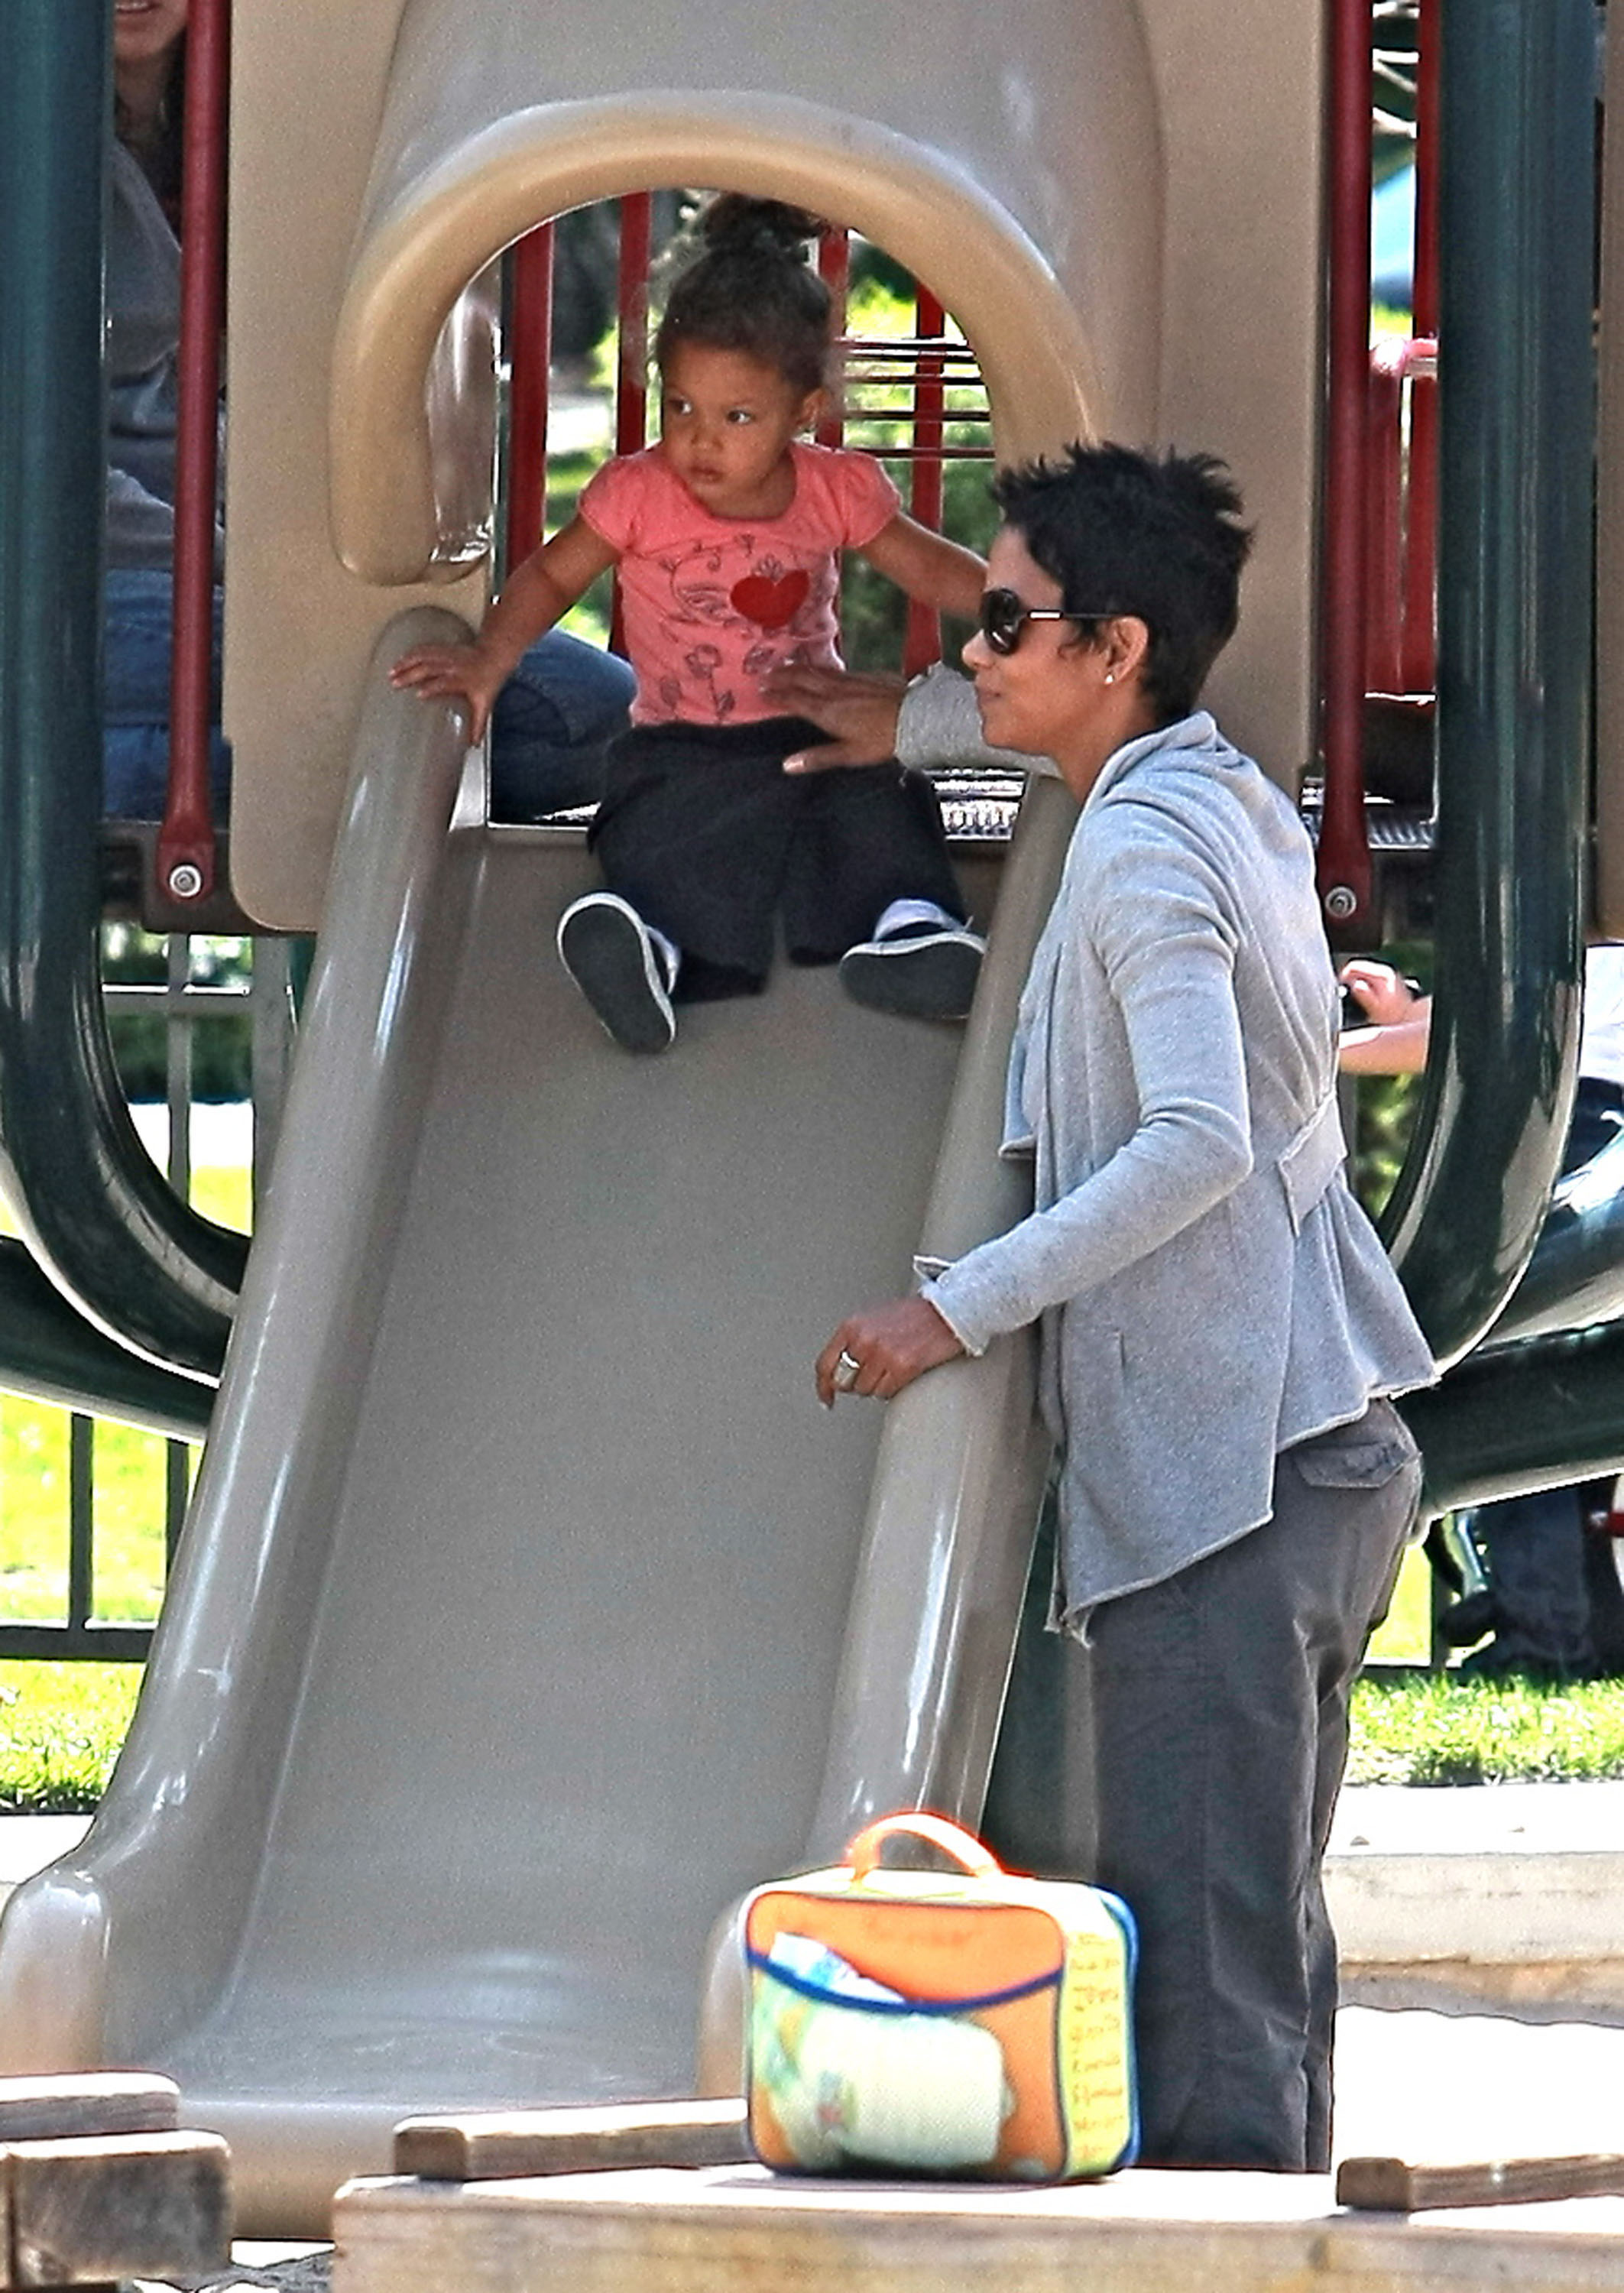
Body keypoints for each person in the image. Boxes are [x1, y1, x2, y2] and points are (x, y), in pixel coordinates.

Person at [813, 443, 1435, 2171]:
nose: (972, 646)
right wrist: (906, 726)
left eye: (1004, 622)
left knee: (1209, 1983)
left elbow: (1194, 1141)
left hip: (1231, 1481)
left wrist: (958, 1309)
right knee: (1256, 1944)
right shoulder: (1218, 792)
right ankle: (1284, 2253)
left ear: (1116, 648)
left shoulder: (1143, 852)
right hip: (1319, 1445)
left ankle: (1227, 2255)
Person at [392, 196, 989, 1053]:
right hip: (683, 739)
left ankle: (911, 927)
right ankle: (650, 949)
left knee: (880, 790)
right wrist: (492, 658)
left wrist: (1014, 611)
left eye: (736, 417)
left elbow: (926, 566)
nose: (701, 440)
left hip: (812, 723)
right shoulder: (639, 494)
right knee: (656, 821)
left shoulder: (832, 488)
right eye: (680, 407)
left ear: (803, 411)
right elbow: (554, 573)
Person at [104, 0, 632, 825]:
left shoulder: (247, 124)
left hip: (198, 565)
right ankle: (59, 777)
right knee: (563, 716)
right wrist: (242, 567)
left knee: (579, 712)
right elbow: (45, 480)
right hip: (75, 581)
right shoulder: (33, 147)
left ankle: (83, 766)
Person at [1342, 952, 1624, 1678]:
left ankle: (1540, 1635)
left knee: (1512, 1387)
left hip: (1575, 1131)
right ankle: (1581, 1631)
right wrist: (1404, 1012)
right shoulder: (1588, 940)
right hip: (1593, 1130)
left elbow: (1488, 1036)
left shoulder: (1588, 937)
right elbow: (1484, 1017)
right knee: (1565, 1402)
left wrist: (1316, 1053)